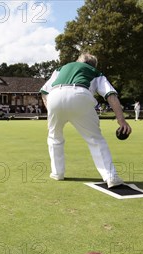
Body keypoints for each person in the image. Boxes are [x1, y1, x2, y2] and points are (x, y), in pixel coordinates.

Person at [40, 53, 131, 187]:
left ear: (78, 60)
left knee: (54, 136)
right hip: (80, 94)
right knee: (95, 139)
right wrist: (121, 120)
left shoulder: (61, 68)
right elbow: (110, 95)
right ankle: (110, 177)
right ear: (93, 64)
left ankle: (57, 173)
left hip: (54, 96)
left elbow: (44, 91)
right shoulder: (95, 71)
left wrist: (52, 112)